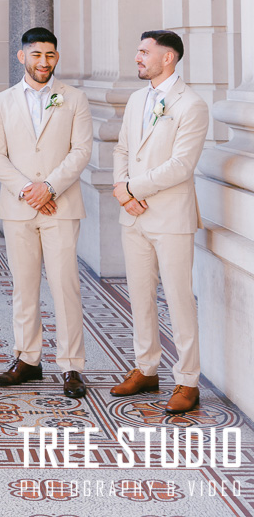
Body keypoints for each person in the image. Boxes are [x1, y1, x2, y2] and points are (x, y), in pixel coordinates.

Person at [0, 27, 93, 398]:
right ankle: (27, 358)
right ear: (22, 57)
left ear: (56, 57)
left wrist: (49, 187)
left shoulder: (75, 98)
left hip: (60, 206)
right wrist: (26, 190)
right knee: (24, 286)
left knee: (65, 286)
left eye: (50, 55)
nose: (43, 62)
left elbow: (81, 150)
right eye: (36, 54)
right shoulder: (2, 101)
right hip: (18, 208)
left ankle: (71, 366)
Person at [111, 30, 209, 415]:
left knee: (179, 299)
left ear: (167, 58)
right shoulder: (137, 99)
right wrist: (123, 191)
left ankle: (188, 380)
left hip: (170, 217)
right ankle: (146, 368)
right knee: (139, 295)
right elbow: (122, 148)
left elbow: (181, 165)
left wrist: (131, 187)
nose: (137, 57)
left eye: (144, 52)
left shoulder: (192, 104)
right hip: (132, 215)